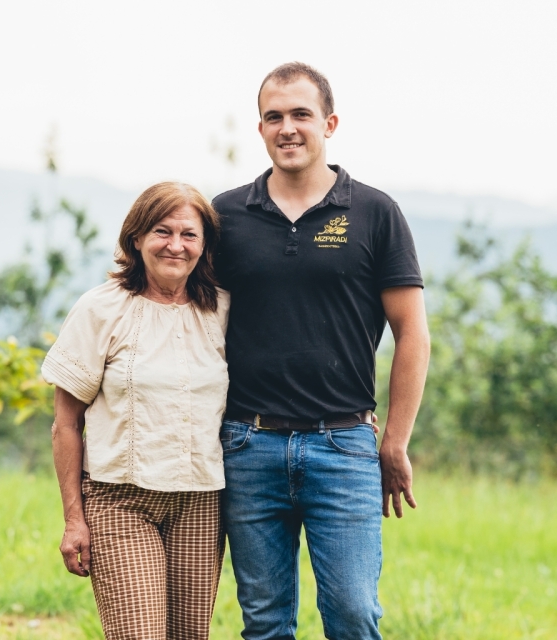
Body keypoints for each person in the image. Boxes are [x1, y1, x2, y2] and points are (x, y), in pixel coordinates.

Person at [213, 62, 431, 639]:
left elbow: (412, 332)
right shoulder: (225, 217)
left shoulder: (374, 212)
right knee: (264, 622)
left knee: (355, 615)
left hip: (343, 445)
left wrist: (396, 441)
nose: (288, 127)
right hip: (246, 444)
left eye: (301, 115)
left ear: (329, 123)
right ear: (259, 128)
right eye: (274, 116)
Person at [43, 182, 230, 640]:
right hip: (121, 500)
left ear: (204, 245)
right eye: (162, 231)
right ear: (136, 238)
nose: (175, 245)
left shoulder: (222, 309)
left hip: (201, 504)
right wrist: (73, 519)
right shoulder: (101, 309)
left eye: (189, 234)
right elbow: (66, 424)